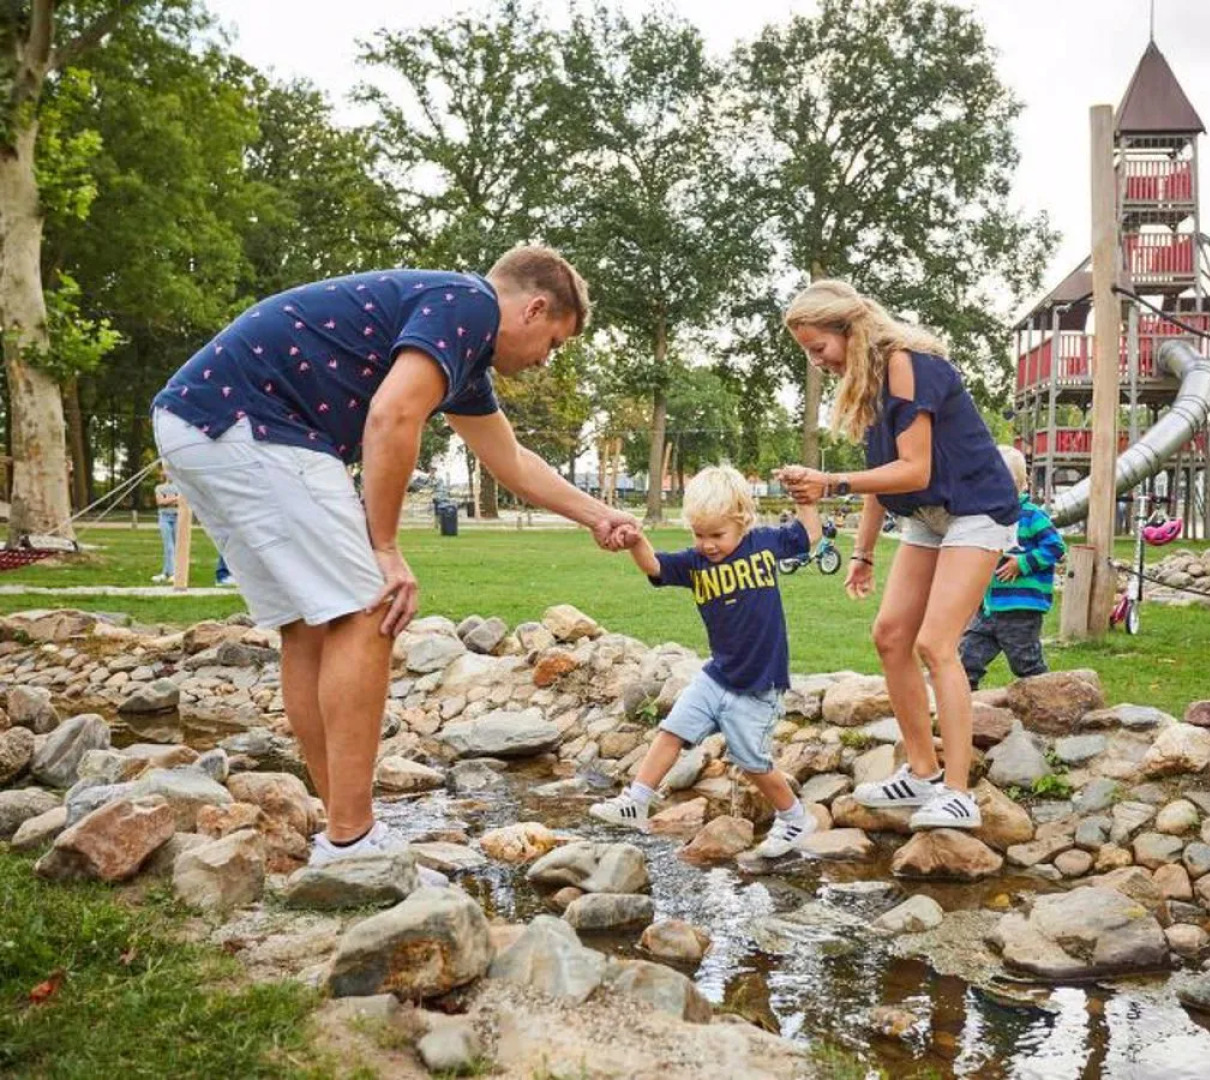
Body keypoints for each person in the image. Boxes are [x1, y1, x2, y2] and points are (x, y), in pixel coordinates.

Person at [152, 246, 638, 874]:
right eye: (554, 341)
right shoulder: (468, 305)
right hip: (254, 421)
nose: (546, 359)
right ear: (534, 307)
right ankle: (351, 842)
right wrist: (384, 547)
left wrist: (599, 515)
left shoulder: (462, 359)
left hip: (201, 421)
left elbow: (511, 461)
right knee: (370, 608)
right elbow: (392, 414)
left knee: (310, 626)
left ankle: (343, 827)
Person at [777, 280, 1020, 830]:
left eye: (820, 349)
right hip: (926, 516)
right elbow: (884, 478)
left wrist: (829, 482)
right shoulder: (868, 384)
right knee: (890, 636)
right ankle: (920, 771)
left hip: (975, 507)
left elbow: (915, 469)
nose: (819, 363)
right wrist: (862, 554)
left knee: (937, 643)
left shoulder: (908, 364)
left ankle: (958, 794)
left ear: (850, 330)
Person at [590, 465, 822, 858]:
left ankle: (794, 817)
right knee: (672, 728)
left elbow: (808, 536)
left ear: (742, 522)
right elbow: (656, 567)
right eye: (699, 535)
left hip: (759, 684)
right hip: (716, 675)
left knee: (753, 762)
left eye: (717, 535)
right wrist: (636, 542)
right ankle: (637, 799)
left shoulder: (763, 544)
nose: (708, 544)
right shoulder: (695, 563)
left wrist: (806, 501)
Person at [961, 446, 1065, 690]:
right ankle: (964, 703)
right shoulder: (986, 518)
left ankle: (1048, 699)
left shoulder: (1031, 516)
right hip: (987, 608)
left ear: (1022, 485)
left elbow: (1055, 547)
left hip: (1020, 610)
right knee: (967, 658)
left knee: (1026, 664)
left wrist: (1023, 563)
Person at [153, 470, 181, 583]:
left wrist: (167, 499)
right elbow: (160, 502)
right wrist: (175, 498)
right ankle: (170, 573)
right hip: (164, 517)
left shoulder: (180, 487)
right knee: (168, 546)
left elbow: (183, 501)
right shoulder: (159, 488)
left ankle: (169, 573)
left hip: (177, 517)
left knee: (176, 546)